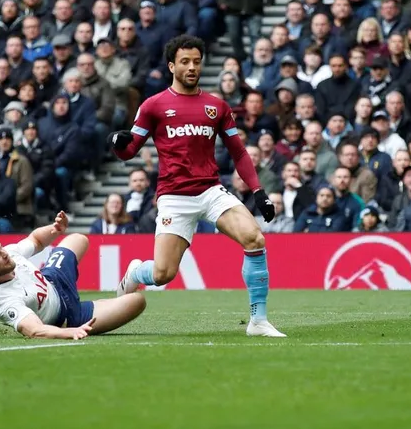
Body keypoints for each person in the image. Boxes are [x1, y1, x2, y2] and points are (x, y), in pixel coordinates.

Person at [109, 35, 285, 337]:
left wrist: (259, 192)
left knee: (254, 239)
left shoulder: (216, 106)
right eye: (185, 62)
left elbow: (238, 152)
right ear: (171, 66)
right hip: (174, 196)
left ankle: (258, 321)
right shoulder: (153, 106)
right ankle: (136, 271)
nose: (192, 67)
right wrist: (117, 142)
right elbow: (129, 149)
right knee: (163, 273)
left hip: (210, 191)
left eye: (197, 62)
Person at [0, 211, 147, 340]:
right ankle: (120, 297)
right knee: (137, 301)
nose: (4, 253)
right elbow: (35, 331)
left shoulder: (10, 253)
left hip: (54, 278)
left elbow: (36, 240)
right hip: (67, 318)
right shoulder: (2, 301)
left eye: (0, 247)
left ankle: (119, 293)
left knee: (78, 239)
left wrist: (55, 229)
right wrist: (70, 332)